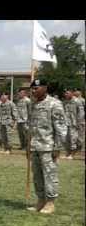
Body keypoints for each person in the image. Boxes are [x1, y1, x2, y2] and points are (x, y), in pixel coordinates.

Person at [27, 79, 67, 214]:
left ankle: (50, 202)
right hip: (35, 146)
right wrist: (28, 146)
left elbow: (61, 127)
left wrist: (57, 147)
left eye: (36, 88)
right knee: (37, 176)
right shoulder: (32, 104)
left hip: (48, 147)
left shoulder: (55, 104)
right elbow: (31, 126)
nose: (33, 91)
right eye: (32, 89)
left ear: (45, 88)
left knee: (49, 175)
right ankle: (40, 201)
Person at [61, 89, 81, 159]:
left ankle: (72, 155)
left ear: (72, 94)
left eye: (67, 93)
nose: (65, 95)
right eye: (65, 93)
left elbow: (81, 113)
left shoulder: (77, 101)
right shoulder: (65, 102)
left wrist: (79, 122)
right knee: (66, 139)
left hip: (74, 123)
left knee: (73, 139)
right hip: (66, 123)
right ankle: (67, 153)